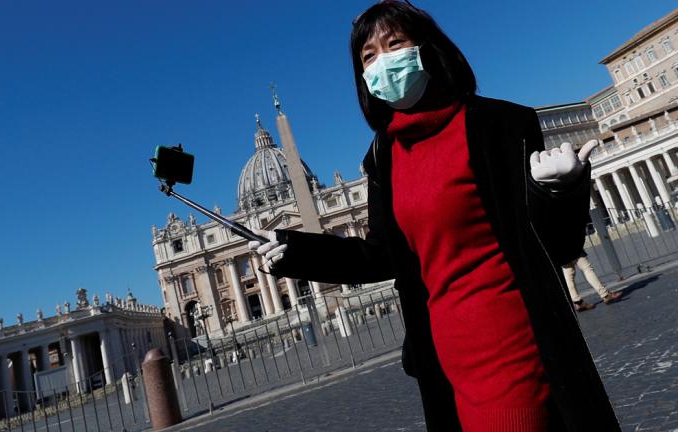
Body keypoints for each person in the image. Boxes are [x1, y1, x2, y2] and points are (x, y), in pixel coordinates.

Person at [248, 2, 621, 431]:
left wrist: (560, 191)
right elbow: (382, 254)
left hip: (515, 344)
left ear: (427, 48)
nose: (383, 61)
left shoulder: (502, 124)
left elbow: (557, 246)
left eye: (395, 44)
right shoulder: (382, 155)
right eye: (368, 55)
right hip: (442, 358)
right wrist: (296, 250)